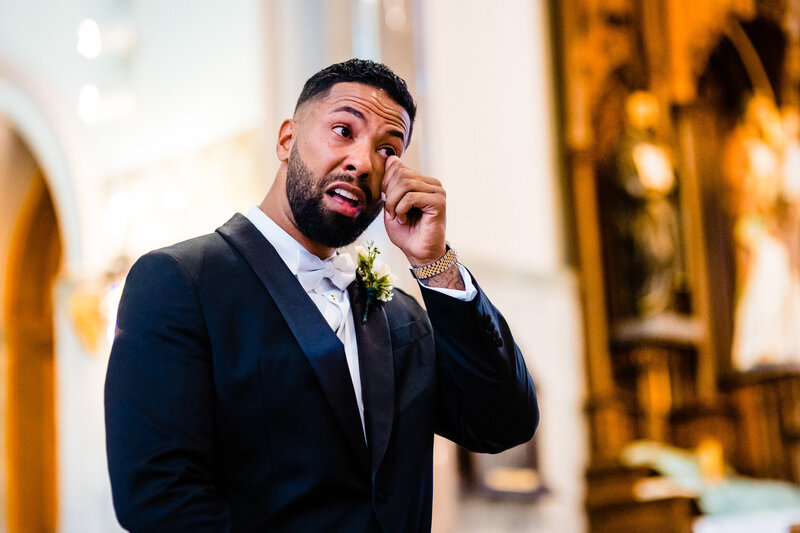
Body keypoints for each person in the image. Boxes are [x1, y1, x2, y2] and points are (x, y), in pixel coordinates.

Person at [104, 58, 538, 532]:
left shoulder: (402, 317)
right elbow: (160, 497)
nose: (363, 162)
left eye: (387, 150)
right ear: (287, 139)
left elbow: (504, 423)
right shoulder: (181, 282)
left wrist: (435, 263)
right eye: (343, 130)